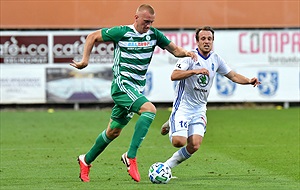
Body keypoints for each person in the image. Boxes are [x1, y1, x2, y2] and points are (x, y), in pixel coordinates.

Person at [70, 4, 197, 183]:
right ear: (136, 17)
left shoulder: (154, 34)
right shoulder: (122, 32)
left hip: (135, 89)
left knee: (113, 131)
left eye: (151, 22)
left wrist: (187, 53)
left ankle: (86, 160)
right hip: (122, 86)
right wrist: (85, 60)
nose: (148, 25)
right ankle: (131, 156)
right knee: (149, 110)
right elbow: (92, 36)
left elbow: (175, 51)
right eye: (146, 21)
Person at [160, 26, 261, 171]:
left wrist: (249, 80)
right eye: (203, 39)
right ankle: (172, 121)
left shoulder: (216, 59)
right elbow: (174, 75)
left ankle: (167, 166)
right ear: (197, 41)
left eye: (209, 39)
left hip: (199, 109)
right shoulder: (190, 57)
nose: (206, 42)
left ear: (213, 41)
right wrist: (194, 71)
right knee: (178, 142)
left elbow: (232, 75)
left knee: (194, 145)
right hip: (183, 107)